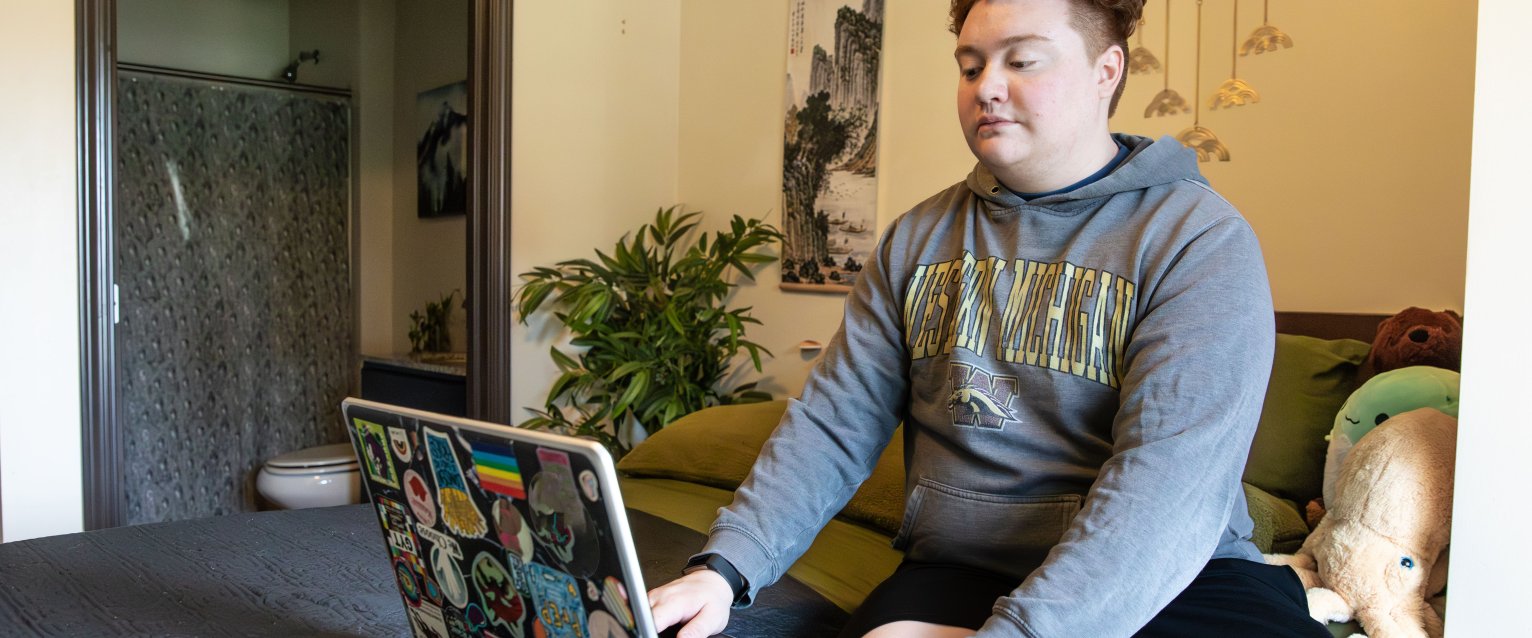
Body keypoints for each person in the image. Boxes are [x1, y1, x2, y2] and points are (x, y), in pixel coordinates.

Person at [649, 1, 1331, 636]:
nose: (987, 87)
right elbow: (832, 423)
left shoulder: (1198, 239)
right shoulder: (917, 239)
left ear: (1106, 70)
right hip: (965, 568)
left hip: (1181, 574)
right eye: (971, 66)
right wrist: (725, 567)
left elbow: (1167, 485)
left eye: (1022, 61)